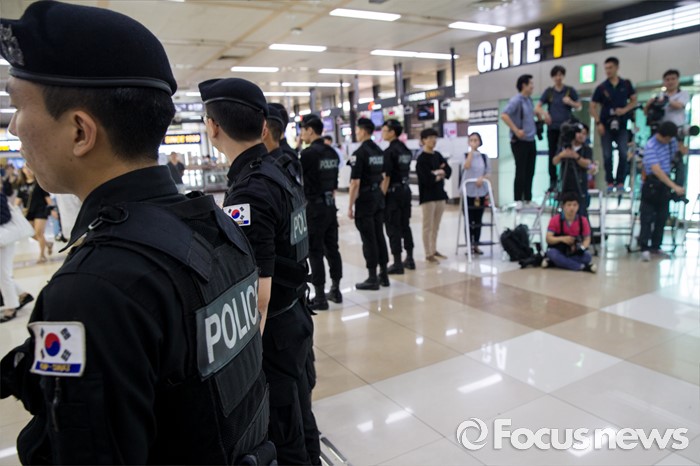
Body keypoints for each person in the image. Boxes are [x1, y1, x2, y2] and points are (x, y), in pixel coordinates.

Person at [0, 2, 271, 464]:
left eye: (18, 106)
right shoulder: (215, 225)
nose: (13, 127)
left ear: (80, 132)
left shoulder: (93, 288)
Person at [201, 77, 319, 465]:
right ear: (263, 126)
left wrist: (244, 363)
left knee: (284, 435)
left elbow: (258, 294)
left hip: (276, 332)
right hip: (296, 315)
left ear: (213, 127)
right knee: (302, 419)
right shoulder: (279, 169)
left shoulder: (249, 191)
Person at [299, 114, 343, 310]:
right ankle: (336, 290)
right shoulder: (332, 152)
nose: (301, 134)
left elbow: (298, 181)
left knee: (315, 251)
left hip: (314, 208)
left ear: (310, 130)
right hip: (330, 206)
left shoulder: (308, 154)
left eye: (302, 130)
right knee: (332, 248)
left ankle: (320, 297)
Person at [347, 117, 390, 289]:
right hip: (378, 197)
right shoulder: (379, 151)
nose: (356, 133)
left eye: (357, 130)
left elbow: (355, 183)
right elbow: (384, 176)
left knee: (368, 238)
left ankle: (372, 277)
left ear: (364, 131)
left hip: (365, 199)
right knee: (379, 235)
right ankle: (384, 274)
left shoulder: (359, 153)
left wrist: (350, 206)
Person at [638, 122, 685, 262]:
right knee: (646, 217)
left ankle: (656, 246)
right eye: (669, 138)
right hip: (652, 183)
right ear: (664, 136)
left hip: (665, 186)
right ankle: (644, 247)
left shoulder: (671, 143)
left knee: (662, 217)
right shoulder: (650, 146)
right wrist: (674, 186)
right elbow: (657, 171)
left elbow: (680, 153)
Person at [590, 57, 638, 192]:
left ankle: (620, 181)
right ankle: (610, 181)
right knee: (607, 154)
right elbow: (592, 107)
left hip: (622, 125)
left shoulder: (626, 84)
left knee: (623, 152)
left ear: (616, 67)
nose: (608, 71)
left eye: (610, 68)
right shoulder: (601, 87)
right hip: (606, 125)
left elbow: (634, 101)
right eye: (606, 68)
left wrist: (624, 110)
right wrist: (598, 122)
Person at [535, 65, 582, 190]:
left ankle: (567, 178)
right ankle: (553, 180)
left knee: (567, 153)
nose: (558, 77)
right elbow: (537, 107)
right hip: (553, 128)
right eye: (556, 75)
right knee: (552, 154)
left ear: (563, 76)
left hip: (567, 130)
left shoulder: (569, 90)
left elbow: (579, 106)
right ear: (553, 77)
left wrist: (570, 102)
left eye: (560, 75)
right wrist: (545, 114)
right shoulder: (549, 92)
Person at [501, 74, 542, 207]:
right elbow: (504, 115)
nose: (533, 87)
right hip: (519, 141)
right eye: (531, 84)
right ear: (524, 85)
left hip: (531, 140)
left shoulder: (529, 100)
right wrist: (516, 130)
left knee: (530, 171)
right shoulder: (516, 100)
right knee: (521, 171)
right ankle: (518, 199)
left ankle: (528, 199)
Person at [381, 119, 415, 273]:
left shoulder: (389, 152)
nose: (382, 133)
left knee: (393, 227)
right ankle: (410, 258)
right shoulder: (405, 150)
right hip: (406, 191)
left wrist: (381, 197)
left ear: (392, 132)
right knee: (405, 225)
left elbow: (386, 177)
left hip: (393, 194)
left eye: (384, 130)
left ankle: (397, 263)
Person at [416, 128, 452, 263]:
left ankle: (434, 249)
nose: (433, 140)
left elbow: (448, 170)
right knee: (428, 226)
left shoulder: (437, 155)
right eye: (430, 138)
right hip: (428, 197)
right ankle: (428, 253)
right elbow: (426, 179)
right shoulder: (421, 159)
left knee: (436, 225)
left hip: (440, 195)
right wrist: (439, 173)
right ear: (423, 140)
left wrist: (438, 172)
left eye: (434, 138)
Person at [0, 191, 34, 323]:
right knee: (2, 274)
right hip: (4, 239)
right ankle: (23, 295)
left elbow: (5, 216)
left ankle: (11, 307)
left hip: (4, 240)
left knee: (4, 275)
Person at [542, 192, 597, 273]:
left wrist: (581, 248)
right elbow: (548, 238)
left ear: (578, 206)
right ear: (563, 206)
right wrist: (562, 239)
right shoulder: (555, 219)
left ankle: (556, 263)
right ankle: (582, 267)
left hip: (575, 251)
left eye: (575, 205)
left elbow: (587, 239)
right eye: (569, 205)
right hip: (559, 249)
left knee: (587, 256)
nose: (572, 208)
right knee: (552, 253)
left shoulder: (583, 221)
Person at [552, 122, 593, 216]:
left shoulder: (587, 149)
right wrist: (562, 155)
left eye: (584, 134)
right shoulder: (564, 147)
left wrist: (576, 156)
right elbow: (554, 161)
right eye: (579, 133)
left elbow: (587, 163)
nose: (581, 136)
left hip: (580, 184)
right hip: (566, 183)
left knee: (581, 210)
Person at [15, 165, 53, 263]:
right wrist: (14, 211)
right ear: (22, 171)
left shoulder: (40, 183)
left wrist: (53, 210)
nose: (27, 170)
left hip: (41, 210)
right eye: (25, 168)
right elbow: (18, 201)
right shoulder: (21, 185)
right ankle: (47, 243)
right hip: (28, 213)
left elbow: (47, 198)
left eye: (29, 168)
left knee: (39, 233)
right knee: (30, 233)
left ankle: (42, 255)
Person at [462, 132, 491, 255]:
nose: (474, 142)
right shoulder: (465, 155)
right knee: (469, 220)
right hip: (468, 192)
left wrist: (482, 178)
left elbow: (488, 172)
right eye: (471, 140)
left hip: (481, 192)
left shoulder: (484, 157)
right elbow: (466, 166)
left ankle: (476, 245)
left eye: (476, 140)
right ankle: (469, 245)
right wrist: (471, 152)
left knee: (478, 220)